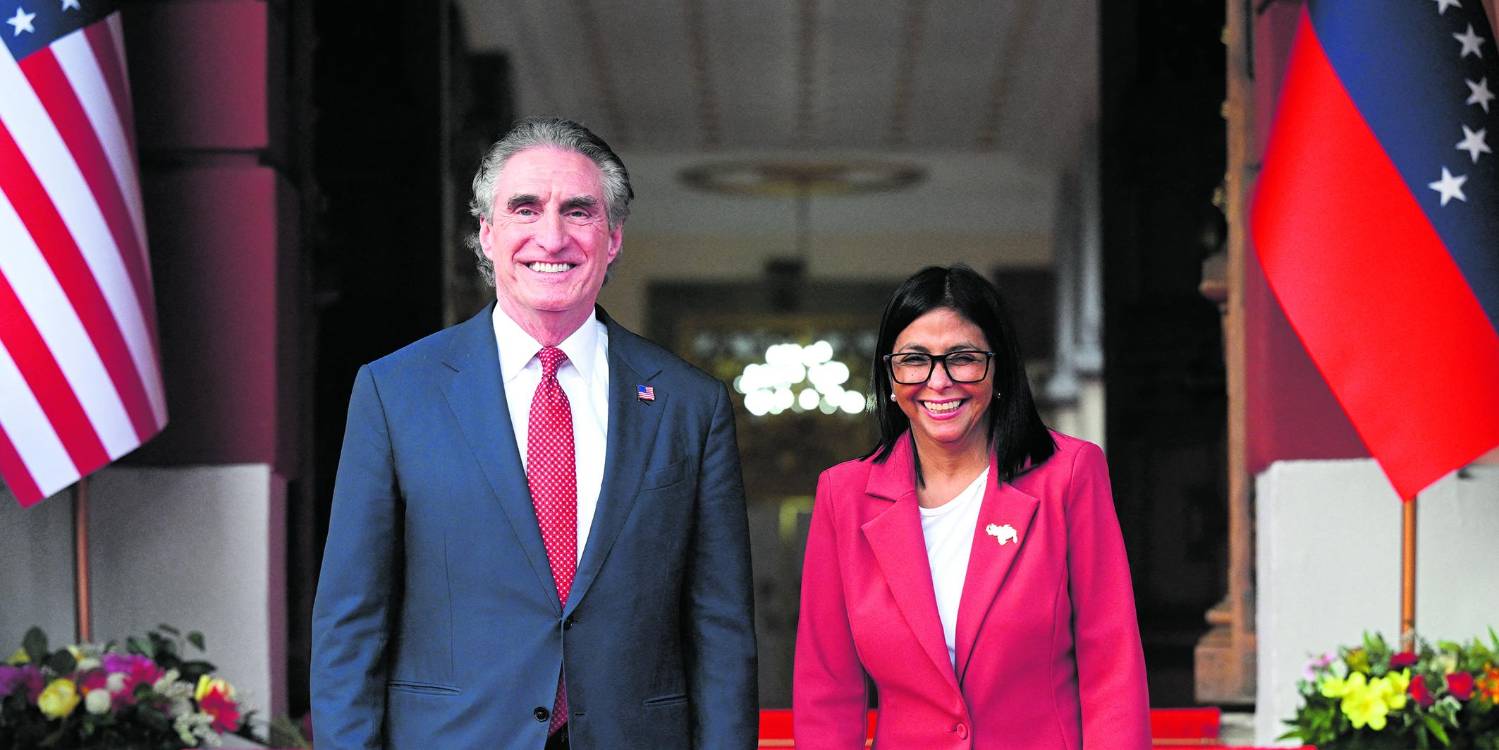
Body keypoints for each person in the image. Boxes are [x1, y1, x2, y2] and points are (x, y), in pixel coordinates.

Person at [311, 117, 758, 749]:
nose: (551, 237)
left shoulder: (690, 404)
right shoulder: (397, 391)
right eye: (525, 209)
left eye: (578, 212)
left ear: (613, 239)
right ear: (488, 235)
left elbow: (721, 630)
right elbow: (351, 621)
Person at [792, 265, 1149, 749]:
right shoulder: (844, 495)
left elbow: (1111, 664)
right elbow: (827, 689)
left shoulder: (1069, 474)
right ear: (890, 375)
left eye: (962, 358)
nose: (938, 382)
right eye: (914, 359)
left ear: (998, 367)